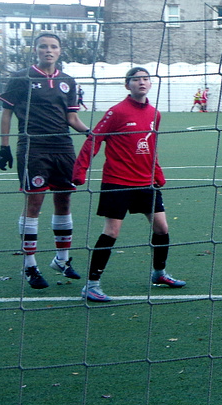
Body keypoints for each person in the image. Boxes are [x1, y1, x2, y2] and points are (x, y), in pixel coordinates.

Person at [71, 67, 186, 301]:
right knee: (112, 231)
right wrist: (79, 171)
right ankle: (92, 285)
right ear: (127, 85)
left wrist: (157, 173)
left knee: (162, 228)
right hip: (118, 182)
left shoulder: (155, 114)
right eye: (136, 79)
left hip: (145, 183)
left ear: (150, 84)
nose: (141, 82)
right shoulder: (117, 112)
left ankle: (159, 273)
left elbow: (151, 148)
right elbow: (94, 139)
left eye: (145, 79)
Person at [0, 33, 93, 290]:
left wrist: (90, 132)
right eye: (43, 46)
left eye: (53, 47)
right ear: (36, 50)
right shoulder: (21, 77)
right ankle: (30, 265)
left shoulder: (67, 81)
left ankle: (61, 260)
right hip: (33, 147)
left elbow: (72, 119)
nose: (48, 50)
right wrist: (4, 147)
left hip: (63, 147)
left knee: (65, 199)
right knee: (35, 202)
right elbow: (7, 113)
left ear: (60, 51)